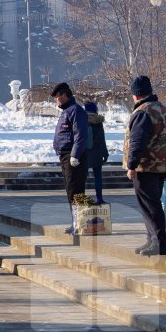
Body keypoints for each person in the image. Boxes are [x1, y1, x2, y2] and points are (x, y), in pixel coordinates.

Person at [123, 75, 166, 256]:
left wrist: (131, 165)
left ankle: (159, 243)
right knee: (151, 204)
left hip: (146, 166)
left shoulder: (143, 112)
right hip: (160, 165)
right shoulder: (162, 109)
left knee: (150, 206)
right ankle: (152, 240)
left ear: (136, 94)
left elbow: (137, 141)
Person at [52, 82, 89, 234]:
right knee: (71, 190)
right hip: (65, 155)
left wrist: (75, 155)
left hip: (74, 156)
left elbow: (80, 135)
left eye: (57, 96)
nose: (56, 100)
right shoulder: (67, 111)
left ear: (65, 94)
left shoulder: (76, 111)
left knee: (76, 190)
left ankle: (80, 223)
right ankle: (76, 222)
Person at [84, 101, 110, 204]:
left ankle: (81, 198)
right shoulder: (98, 122)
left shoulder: (81, 120)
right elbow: (102, 139)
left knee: (82, 177)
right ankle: (99, 198)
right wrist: (105, 153)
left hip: (84, 153)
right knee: (98, 176)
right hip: (97, 152)